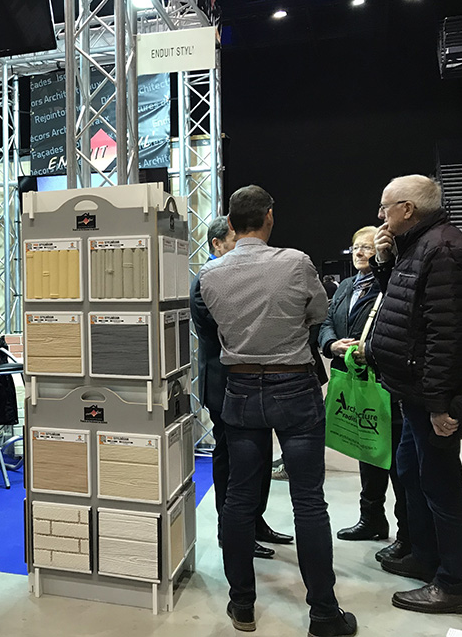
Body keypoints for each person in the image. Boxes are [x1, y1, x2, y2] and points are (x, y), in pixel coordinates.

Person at [200, 185, 355, 637]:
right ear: (269, 216)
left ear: (231, 224)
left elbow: (213, 324)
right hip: (294, 385)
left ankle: (242, 605)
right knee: (309, 501)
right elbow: (318, 313)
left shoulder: (210, 274)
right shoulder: (295, 262)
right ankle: (323, 613)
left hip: (240, 388)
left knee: (239, 498)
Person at [367, 174, 462, 615]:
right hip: (411, 391)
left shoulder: (444, 249)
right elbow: (403, 308)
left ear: (408, 209)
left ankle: (456, 583)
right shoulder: (418, 246)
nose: (381, 215)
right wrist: (384, 262)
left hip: (428, 394)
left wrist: (438, 403)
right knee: (411, 472)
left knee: (441, 484)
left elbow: (446, 334)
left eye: (386, 207)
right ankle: (425, 555)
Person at [192, 215, 293, 561]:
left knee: (259, 455)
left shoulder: (236, 277)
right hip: (224, 384)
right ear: (218, 243)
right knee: (233, 459)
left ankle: (254, 522)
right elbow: (230, 328)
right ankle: (231, 530)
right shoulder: (207, 280)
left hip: (252, 383)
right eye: (236, 242)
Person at [319, 226, 409, 562]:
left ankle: (407, 533)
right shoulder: (345, 286)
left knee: (395, 459)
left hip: (383, 382)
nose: (360, 252)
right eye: (356, 247)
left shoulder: (390, 286)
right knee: (366, 449)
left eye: (367, 247)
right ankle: (371, 519)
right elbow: (327, 320)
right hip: (352, 380)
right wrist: (331, 343)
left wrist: (365, 349)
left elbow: (397, 331)